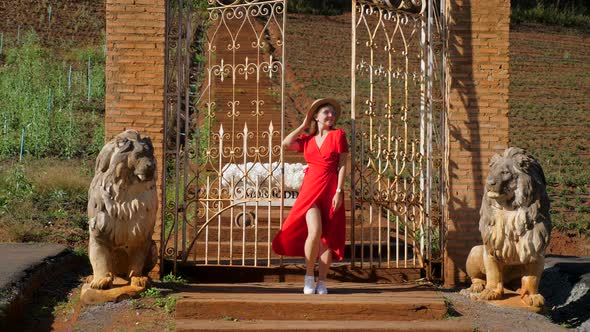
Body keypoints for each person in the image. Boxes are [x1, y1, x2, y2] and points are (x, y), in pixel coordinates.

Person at [272, 98, 349, 295]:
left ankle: (322, 281)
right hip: (310, 191)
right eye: (326, 112)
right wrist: (303, 125)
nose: (330, 115)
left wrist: (339, 191)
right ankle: (308, 276)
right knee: (314, 232)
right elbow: (286, 143)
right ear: (316, 116)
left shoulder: (338, 135)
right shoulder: (307, 140)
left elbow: (342, 165)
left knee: (327, 239)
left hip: (331, 190)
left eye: (332, 112)